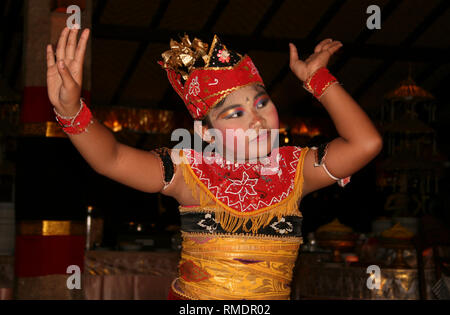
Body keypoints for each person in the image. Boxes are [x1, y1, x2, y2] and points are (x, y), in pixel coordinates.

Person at [46, 26, 382, 300]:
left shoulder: (296, 168)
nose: (257, 120)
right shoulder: (187, 171)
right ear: (205, 132)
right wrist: (71, 110)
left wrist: (317, 79)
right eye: (236, 113)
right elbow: (112, 159)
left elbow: (366, 143)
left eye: (262, 104)